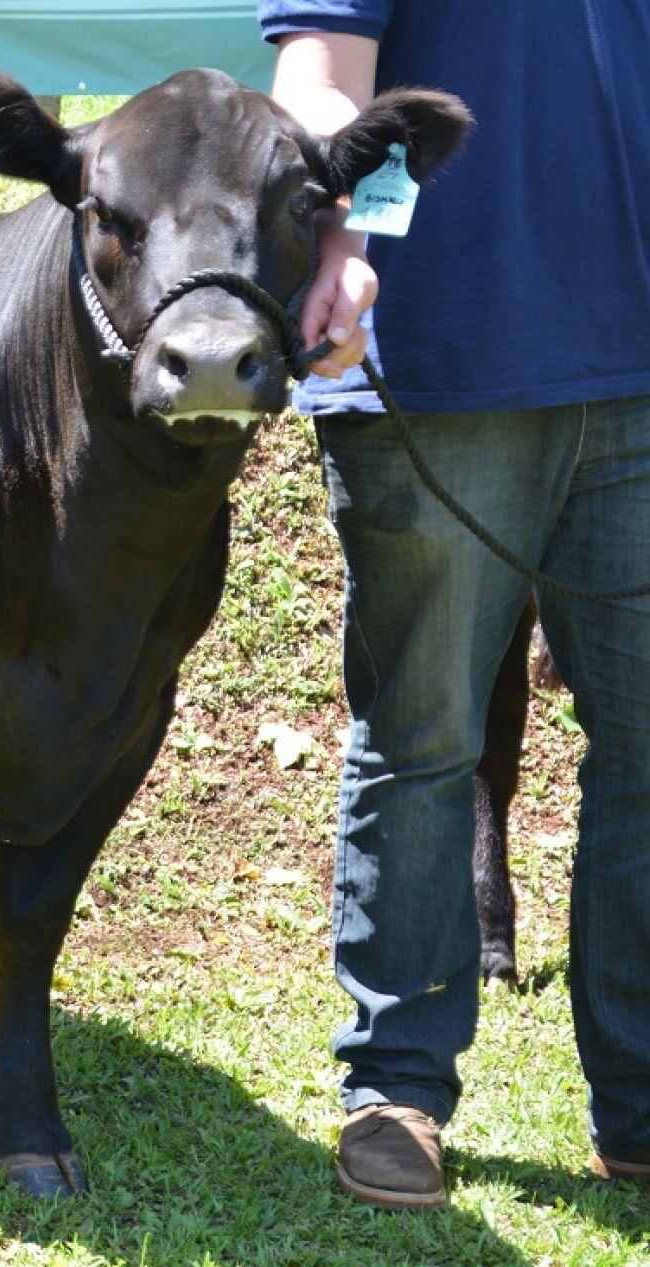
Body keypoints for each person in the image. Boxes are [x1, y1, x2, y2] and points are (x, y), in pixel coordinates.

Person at [257, 1, 650, 1210]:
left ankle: (639, 1108)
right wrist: (334, 237)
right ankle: (399, 1089)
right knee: (424, 736)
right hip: (434, 359)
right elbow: (322, 80)